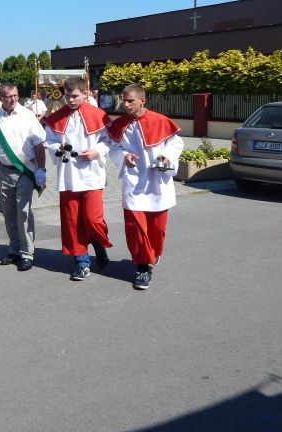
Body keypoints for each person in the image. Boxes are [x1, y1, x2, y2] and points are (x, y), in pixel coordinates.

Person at [106, 84, 183, 290]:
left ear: (142, 101)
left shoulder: (160, 121)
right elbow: (113, 146)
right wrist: (124, 155)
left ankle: (153, 253)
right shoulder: (119, 124)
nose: (125, 104)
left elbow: (176, 144)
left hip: (157, 182)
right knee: (135, 228)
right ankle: (142, 267)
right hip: (133, 181)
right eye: (123, 100)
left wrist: (166, 157)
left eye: (130, 101)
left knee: (157, 228)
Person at [42, 76, 113, 281]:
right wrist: (57, 147)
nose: (71, 100)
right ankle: (81, 262)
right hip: (69, 176)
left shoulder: (99, 115)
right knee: (72, 220)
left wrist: (97, 152)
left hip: (92, 175)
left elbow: (108, 140)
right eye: (67, 96)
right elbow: (49, 141)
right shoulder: (56, 117)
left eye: (75, 96)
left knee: (92, 219)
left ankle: (98, 243)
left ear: (85, 93)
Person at [0, 83, 47, 272]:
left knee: (23, 211)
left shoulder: (27, 115)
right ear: (0, 98)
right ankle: (14, 248)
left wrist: (41, 169)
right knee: (8, 212)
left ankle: (27, 253)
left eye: (15, 95)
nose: (13, 99)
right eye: (8, 96)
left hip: (25, 170)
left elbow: (39, 144)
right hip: (3, 170)